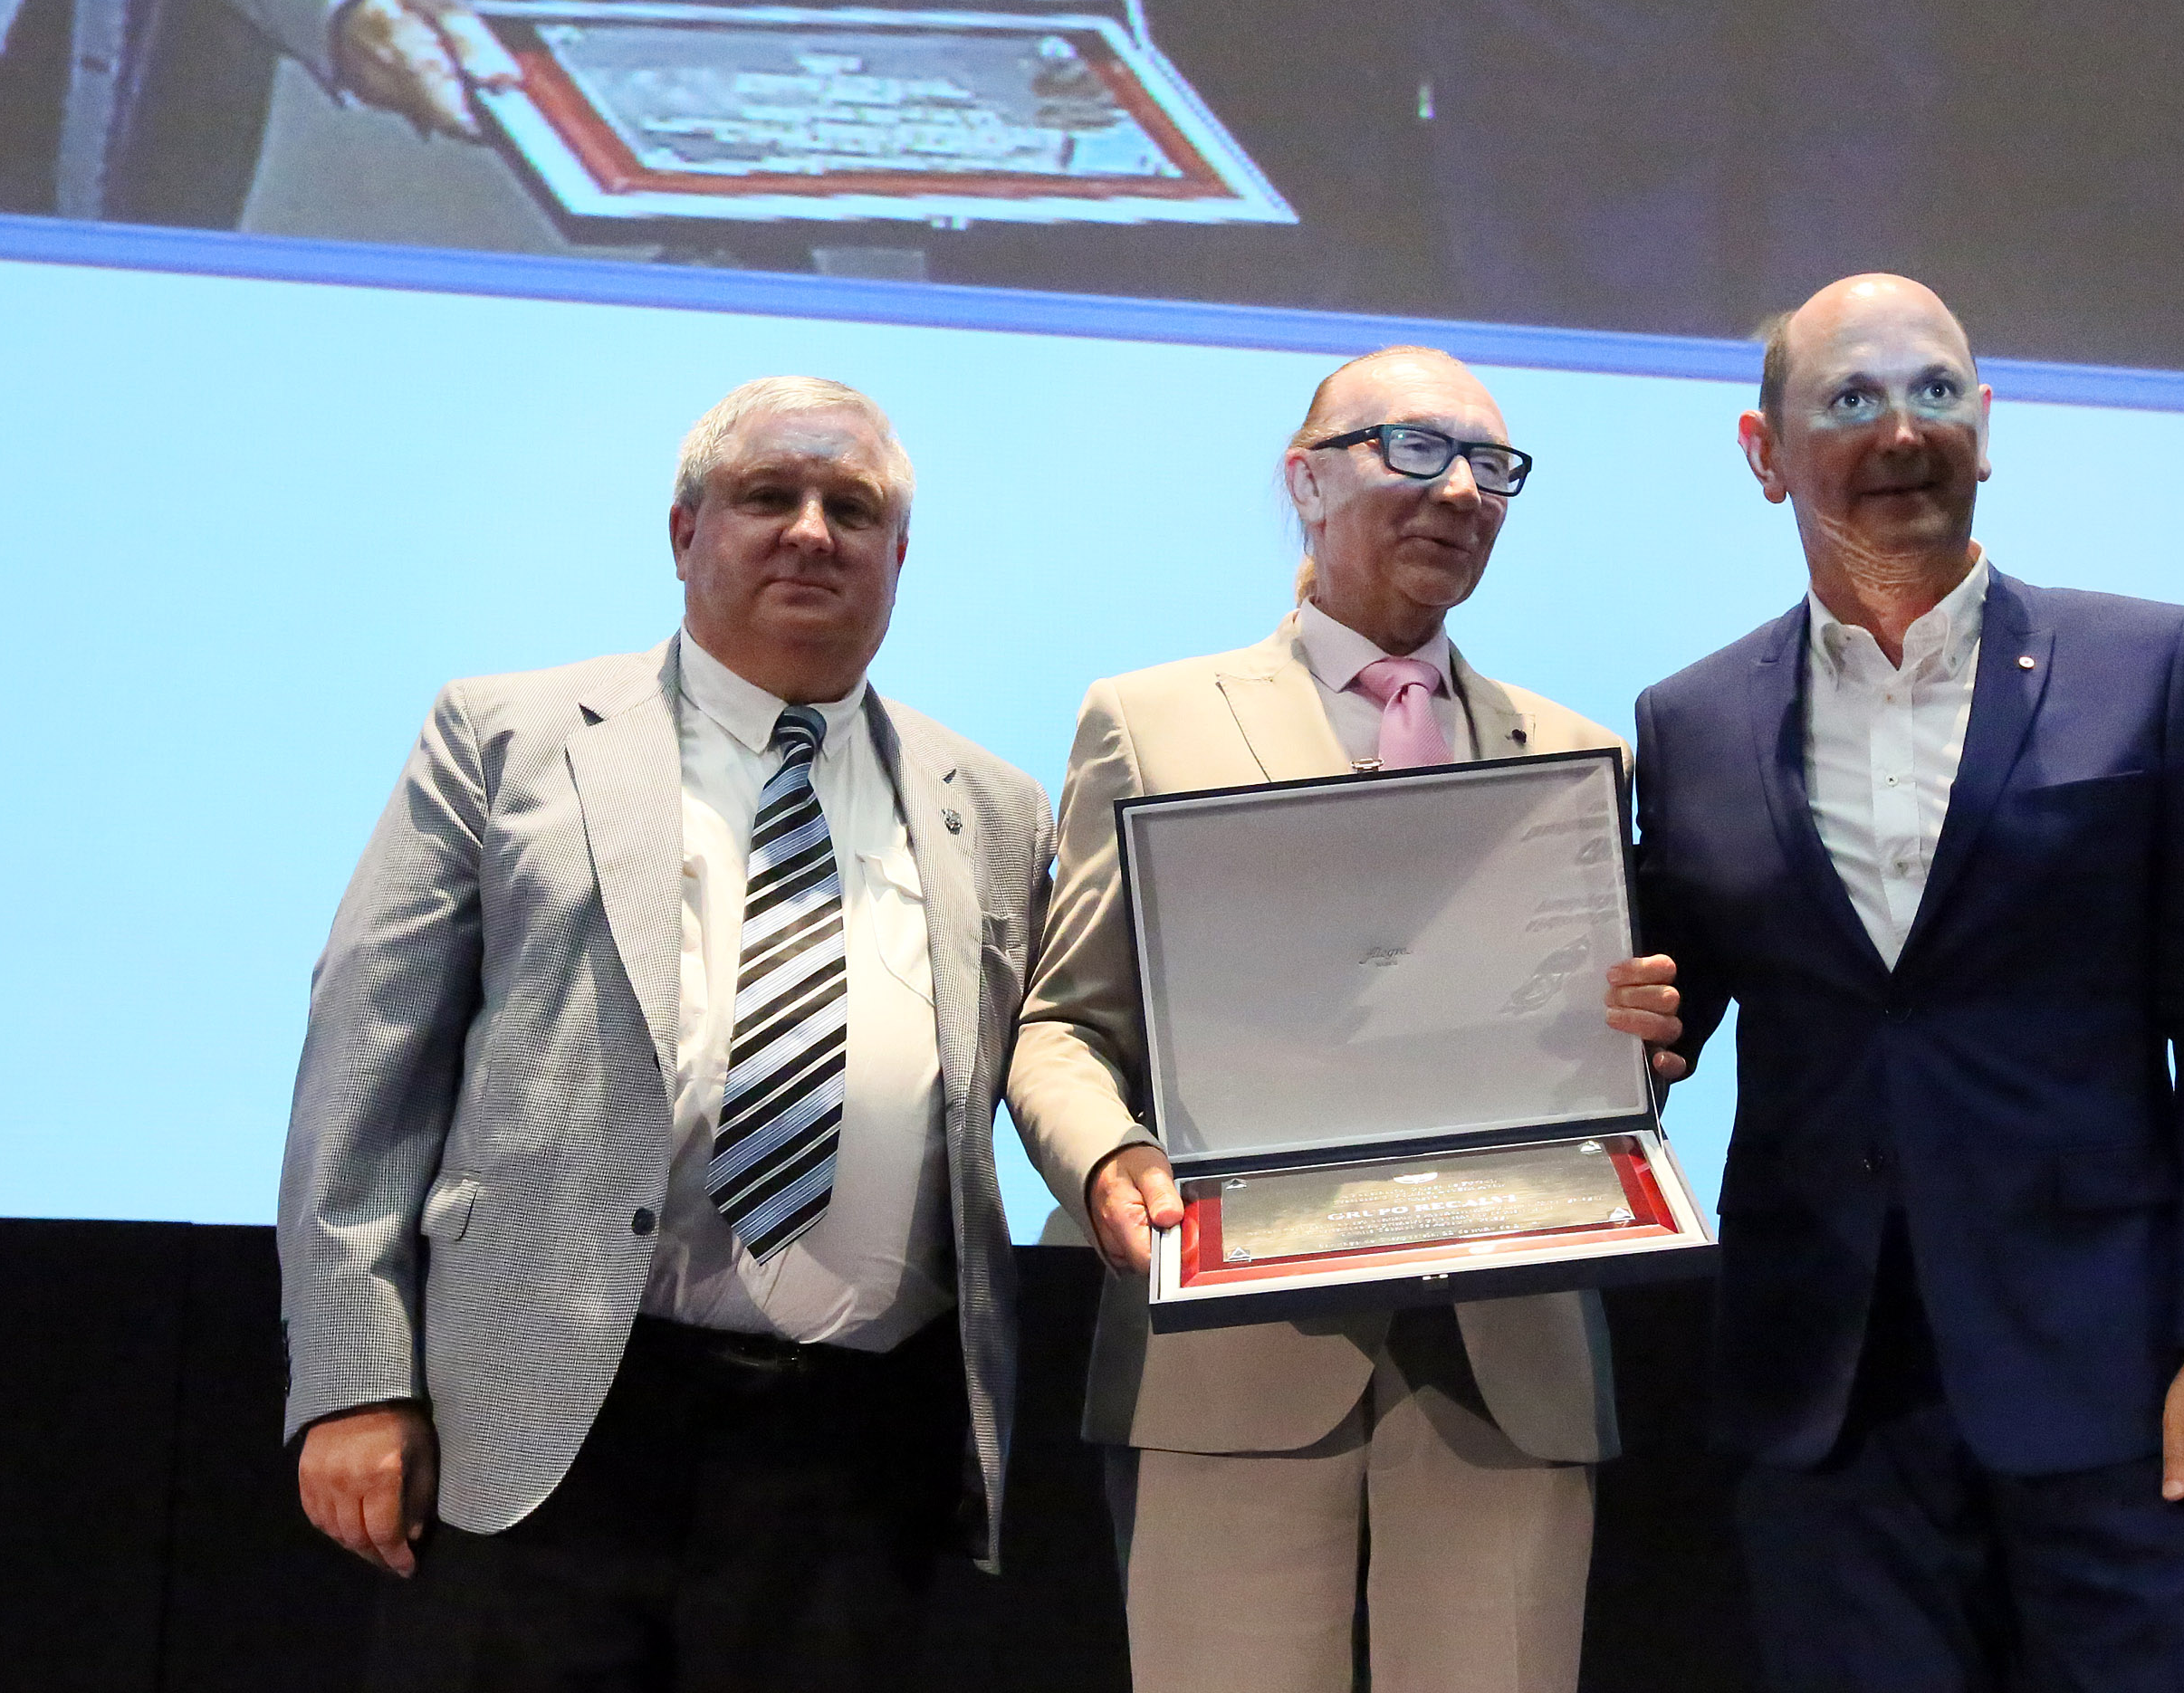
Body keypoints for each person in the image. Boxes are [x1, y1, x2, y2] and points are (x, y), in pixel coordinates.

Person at [277, 377, 1053, 1692]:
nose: (811, 531)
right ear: (685, 532)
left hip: (855, 1455)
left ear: (899, 556)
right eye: (768, 496)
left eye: (853, 508)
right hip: (541, 1410)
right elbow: (366, 1068)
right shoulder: (508, 739)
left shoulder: (996, 804)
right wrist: (355, 1379)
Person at [1633, 275, 2184, 1690]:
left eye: (1935, 391)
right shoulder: (1690, 722)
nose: (1904, 431)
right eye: (1851, 399)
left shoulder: (2150, 667)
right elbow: (1663, 1010)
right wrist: (1618, 1039)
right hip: (1824, 1397)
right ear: (1765, 454)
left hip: (2120, 1377)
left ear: (1986, 427)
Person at [1006, 343, 1685, 1693]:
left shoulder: (1576, 755)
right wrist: (1105, 1157)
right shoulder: (1151, 722)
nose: (1463, 492)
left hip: (1509, 1364)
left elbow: (1583, 1066)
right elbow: (1063, 1024)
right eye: (1416, 450)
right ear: (1306, 481)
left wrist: (1630, 1050)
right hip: (1228, 1357)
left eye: (1492, 466)